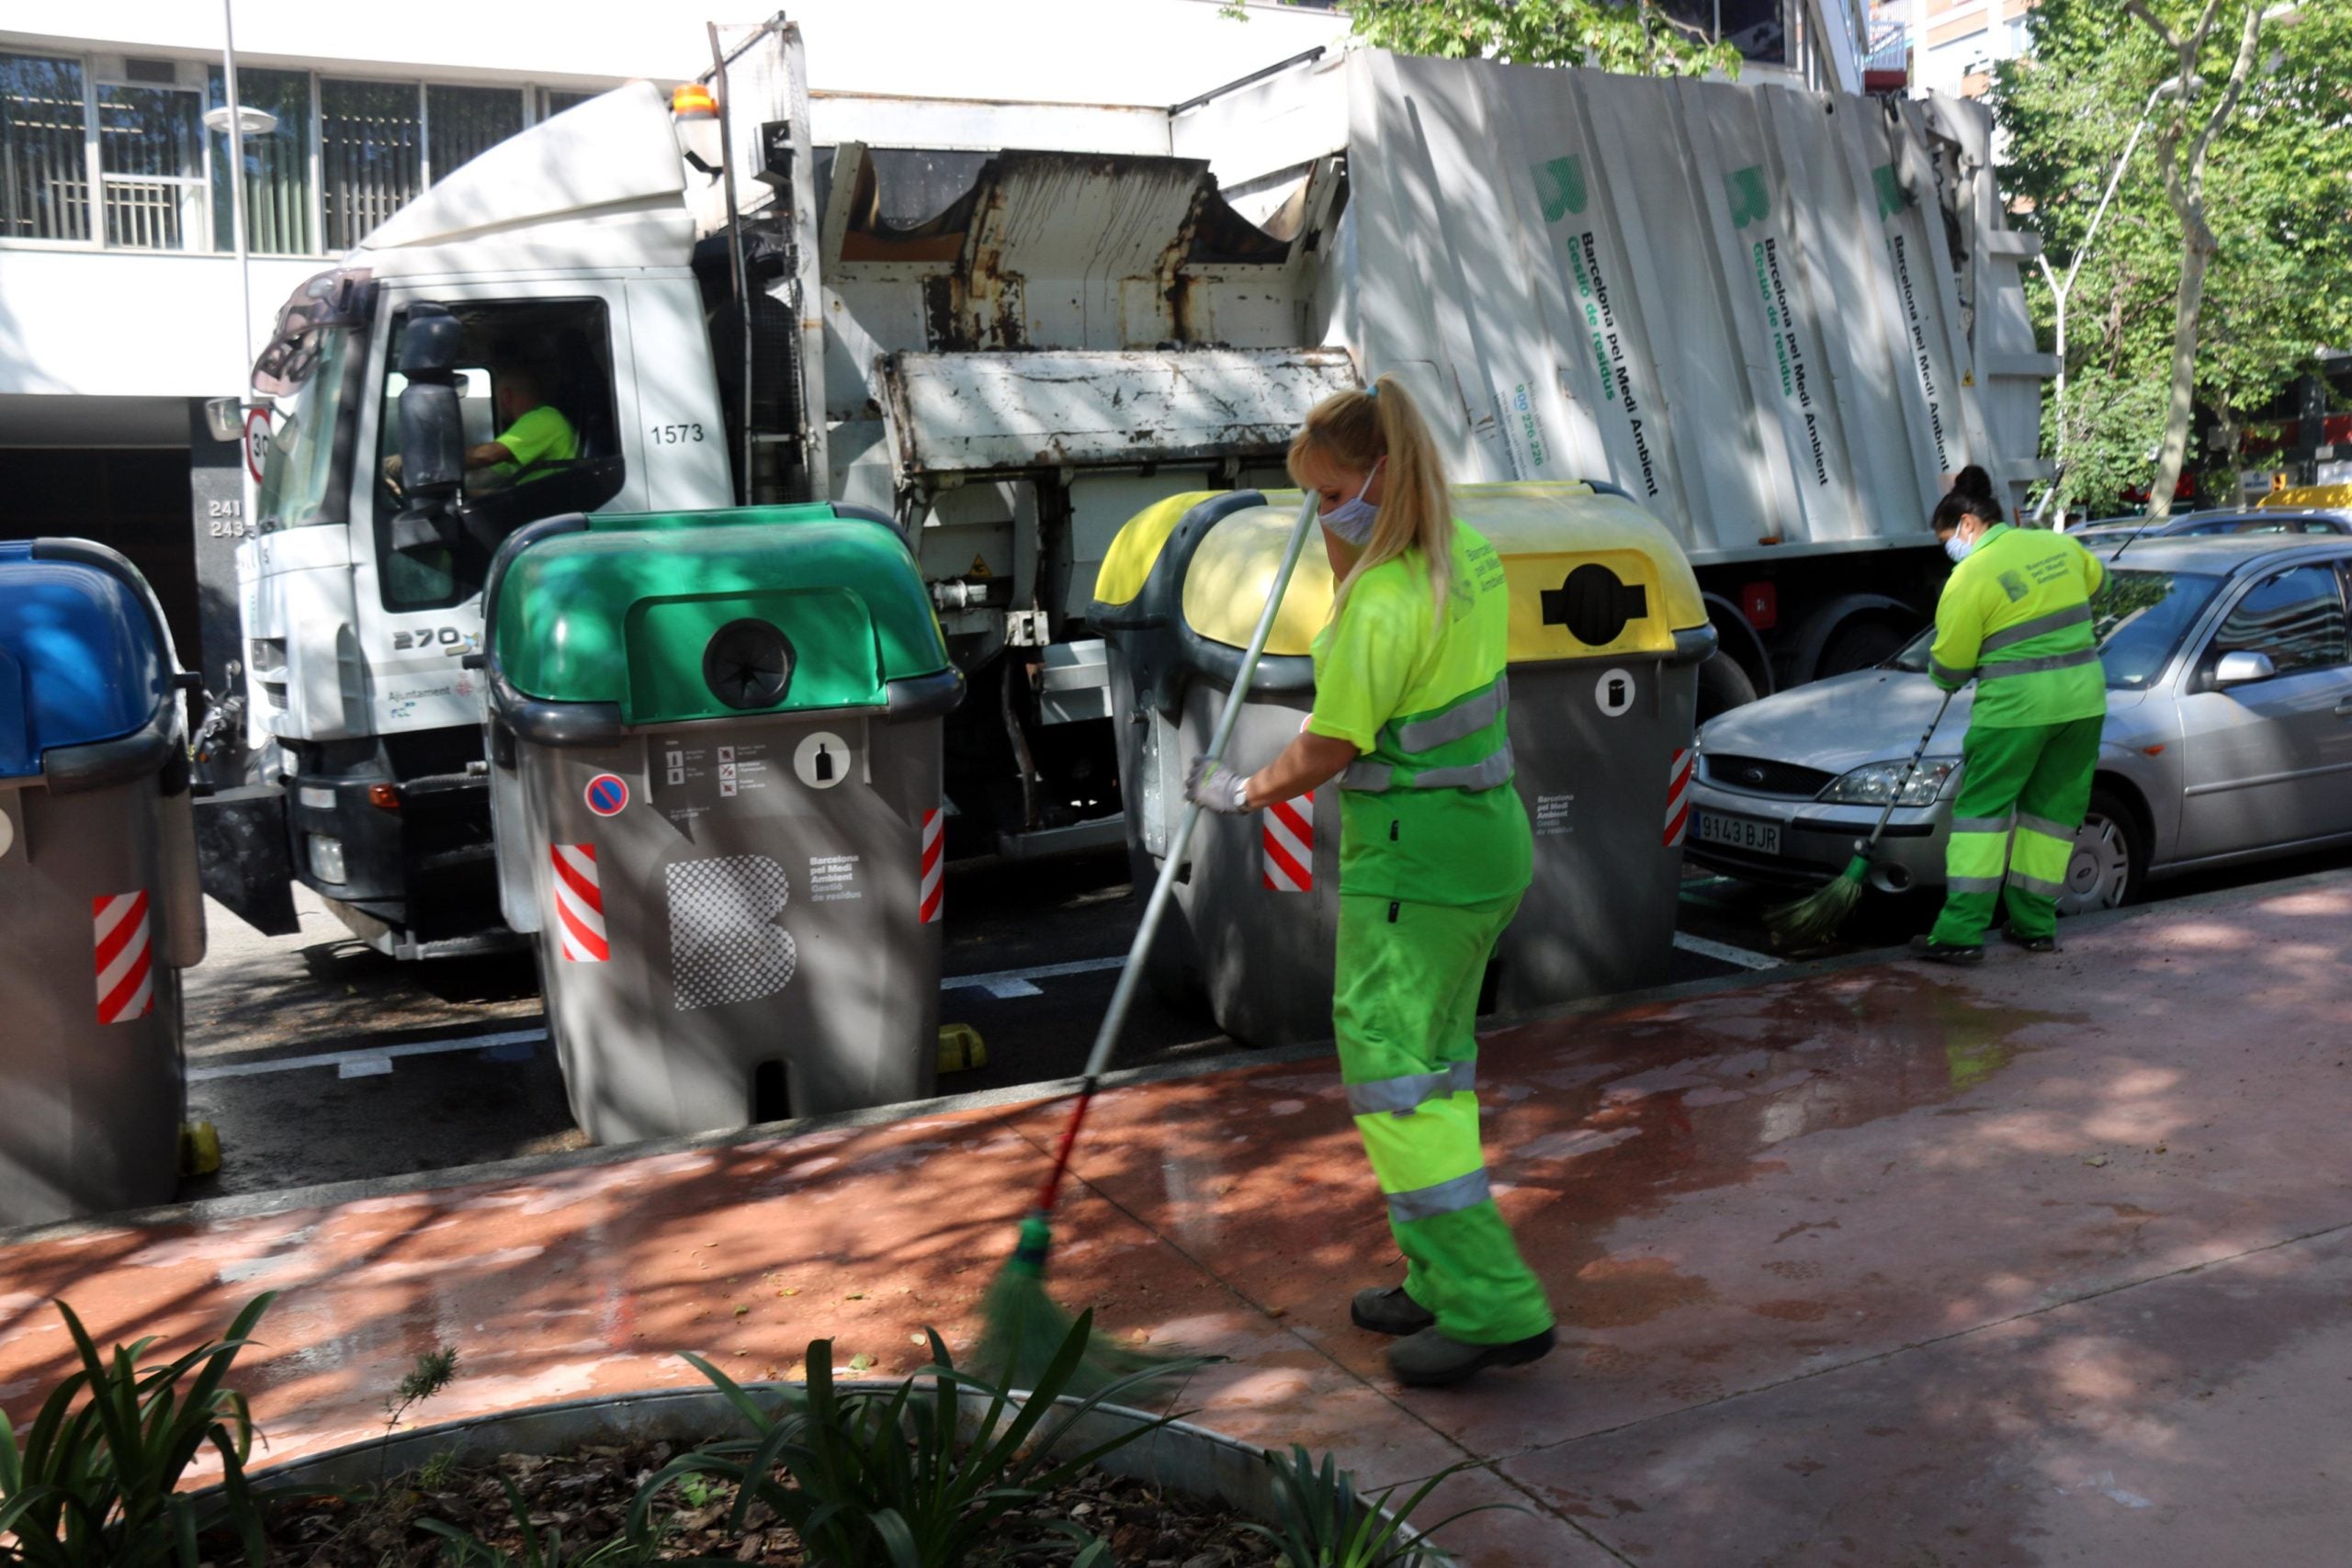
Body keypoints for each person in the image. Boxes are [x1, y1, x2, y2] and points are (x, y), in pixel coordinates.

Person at [1182, 376, 1555, 1388]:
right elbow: (1366, 589)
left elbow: (1329, 746)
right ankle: (1435, 1276)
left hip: (1417, 871)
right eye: (1310, 496)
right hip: (1479, 852)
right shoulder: (1462, 557)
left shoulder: (1382, 611)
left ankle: (1491, 1302)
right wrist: (1341, 528)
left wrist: (1237, 790)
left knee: (1398, 1087)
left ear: (1379, 480)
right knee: (1434, 1073)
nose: (1320, 511)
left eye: (1332, 491)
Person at [1916, 485, 2108, 964]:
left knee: (1983, 818)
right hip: (2082, 706)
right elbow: (2099, 585)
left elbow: (1951, 666)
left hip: (2014, 714)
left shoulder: (1969, 575)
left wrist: (1946, 672)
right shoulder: (2059, 544)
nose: (1949, 551)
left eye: (1947, 539)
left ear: (1967, 524)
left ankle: (1960, 933)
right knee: (2052, 817)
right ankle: (2034, 924)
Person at [469, 362, 577, 484]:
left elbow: (486, 456)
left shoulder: (543, 418)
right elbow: (493, 474)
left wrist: (448, 462)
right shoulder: (528, 429)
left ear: (506, 396)